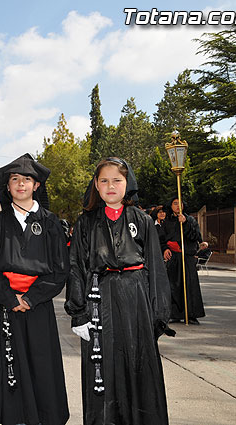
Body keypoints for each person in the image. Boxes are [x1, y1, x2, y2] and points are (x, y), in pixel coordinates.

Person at [65, 157, 172, 425]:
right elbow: (76, 266)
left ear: (127, 184)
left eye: (117, 180)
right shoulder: (86, 222)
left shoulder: (143, 220)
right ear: (96, 186)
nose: (110, 186)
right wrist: (78, 312)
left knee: (139, 365)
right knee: (104, 369)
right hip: (99, 299)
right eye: (104, 180)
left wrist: (158, 313)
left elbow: (156, 269)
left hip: (136, 298)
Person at [0, 154, 70, 425]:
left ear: (36, 185)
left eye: (27, 179)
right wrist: (8, 297)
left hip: (37, 306)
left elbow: (60, 269)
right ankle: (9, 416)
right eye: (15, 179)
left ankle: (41, 416)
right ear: (7, 186)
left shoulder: (51, 223)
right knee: (4, 365)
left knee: (40, 364)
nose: (21, 184)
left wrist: (30, 297)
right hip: (3, 304)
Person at [160, 198, 206, 324]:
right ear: (171, 206)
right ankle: (175, 313)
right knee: (174, 286)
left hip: (187, 257)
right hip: (174, 258)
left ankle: (191, 314)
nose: (177, 206)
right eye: (175, 203)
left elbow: (195, 237)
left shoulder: (190, 220)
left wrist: (185, 223)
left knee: (189, 285)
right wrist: (165, 249)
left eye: (179, 203)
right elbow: (161, 239)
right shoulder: (167, 222)